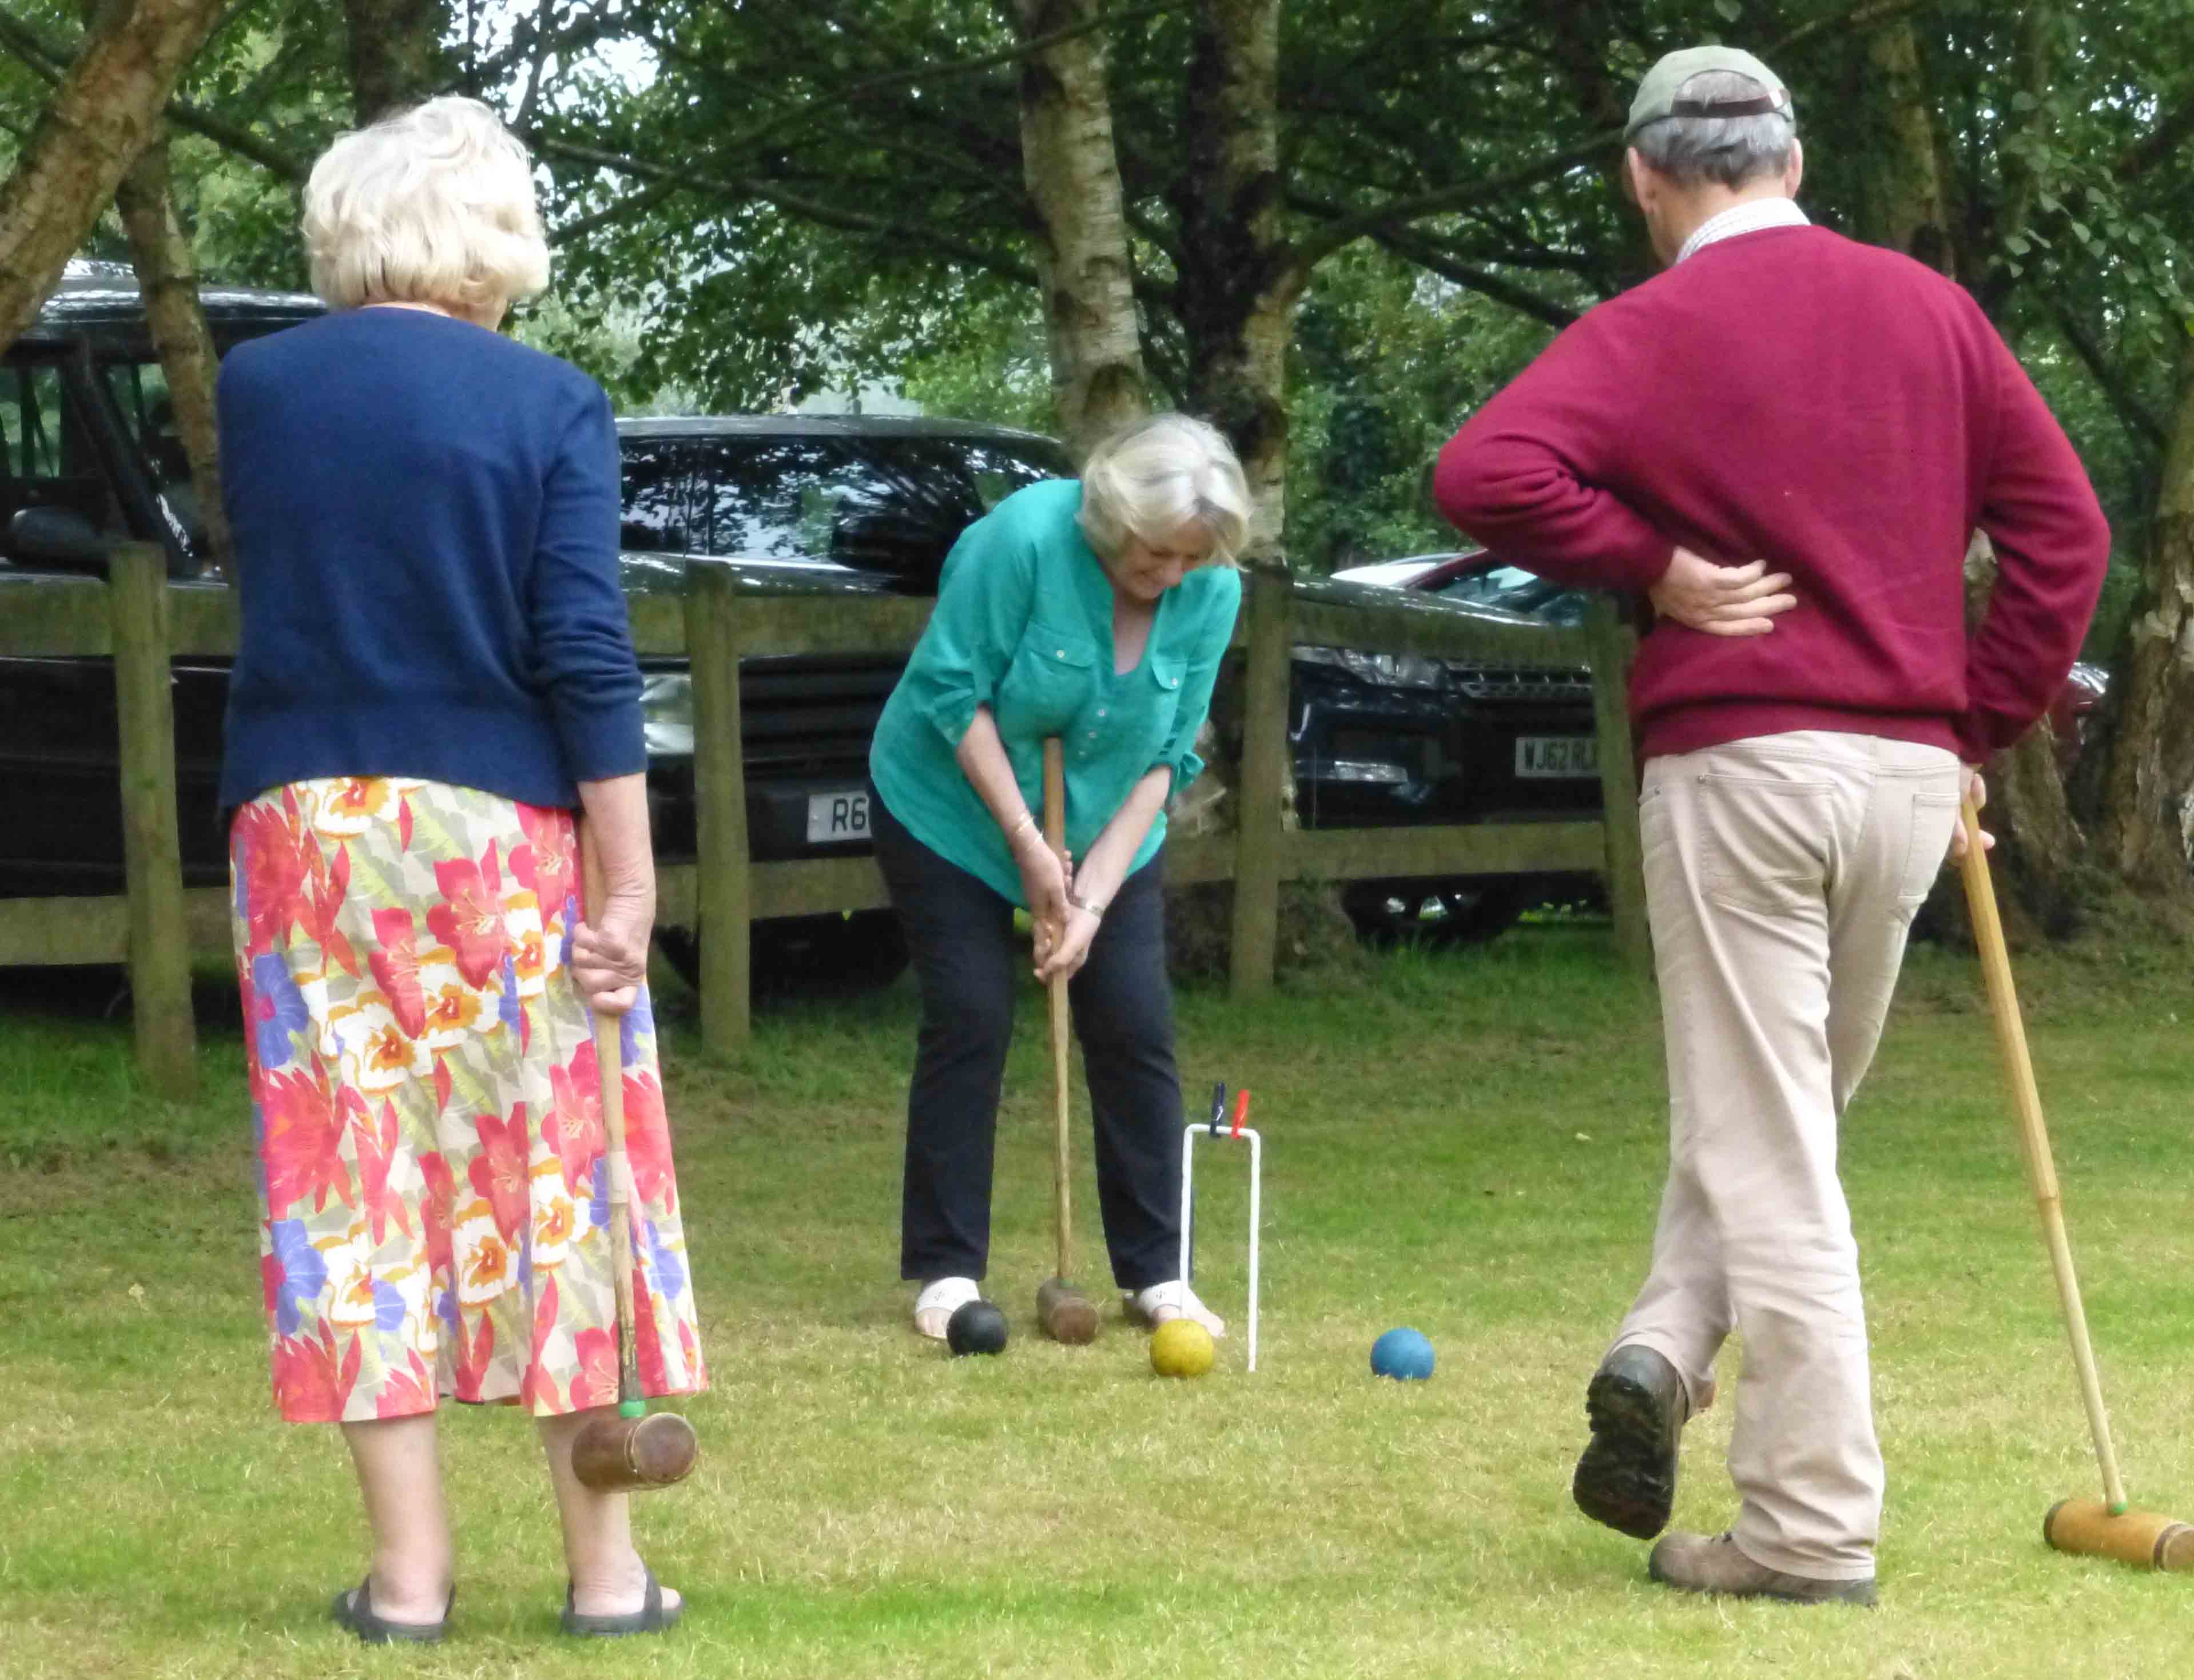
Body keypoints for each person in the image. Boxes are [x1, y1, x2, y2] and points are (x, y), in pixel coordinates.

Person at [1434, 45, 2109, 1606]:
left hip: (1740, 768)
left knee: (1774, 1156)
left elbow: (1482, 472)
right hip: (1893, 787)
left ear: (1643, 179)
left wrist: (1654, 568)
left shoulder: (1651, 321)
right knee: (1780, 1133)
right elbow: (2064, 535)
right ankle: (1665, 1352)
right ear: (1794, 164)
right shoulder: (1929, 311)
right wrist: (1971, 726)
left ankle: (1806, 1529)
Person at [218, 97, 703, 1643]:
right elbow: (581, 647)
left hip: (304, 831)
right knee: (549, 1180)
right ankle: (607, 1576)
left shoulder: (259, 386)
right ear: (494, 239)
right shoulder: (547, 399)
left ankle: (411, 1587)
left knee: (349, 1185)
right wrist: (628, 889)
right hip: (497, 832)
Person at [867, 414, 1248, 1341]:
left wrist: (1091, 897)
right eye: (1156, 555)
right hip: (952, 806)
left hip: (1111, 819)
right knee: (971, 1012)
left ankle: (1157, 1271)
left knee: (1133, 1020)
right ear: (1116, 517)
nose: (1170, 577)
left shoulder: (1213, 591)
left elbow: (1168, 759)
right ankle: (949, 1270)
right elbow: (950, 692)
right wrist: (1031, 848)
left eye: (1188, 561)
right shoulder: (1025, 541)